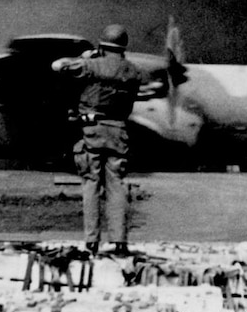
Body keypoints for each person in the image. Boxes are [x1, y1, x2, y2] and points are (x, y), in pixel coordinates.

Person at [51, 25, 168, 255]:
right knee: (118, 186)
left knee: (91, 183)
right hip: (119, 132)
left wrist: (85, 57)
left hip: (92, 130)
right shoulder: (133, 72)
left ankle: (92, 241)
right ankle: (119, 241)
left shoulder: (90, 66)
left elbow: (56, 66)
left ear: (102, 46)